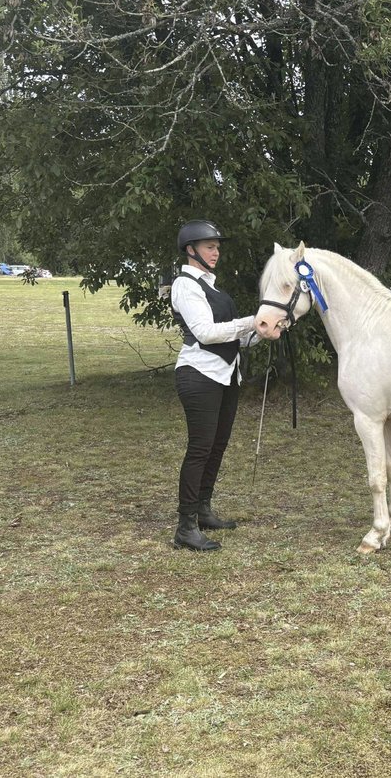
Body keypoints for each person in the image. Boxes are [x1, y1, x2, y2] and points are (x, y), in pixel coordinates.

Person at [168, 220, 262, 551]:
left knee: (217, 446)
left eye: (217, 247)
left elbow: (236, 339)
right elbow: (207, 334)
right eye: (210, 246)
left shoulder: (214, 287)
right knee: (200, 448)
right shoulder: (185, 285)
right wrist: (252, 321)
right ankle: (185, 527)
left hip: (226, 375)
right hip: (198, 374)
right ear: (191, 249)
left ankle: (203, 510)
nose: (216, 252)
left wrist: (262, 331)